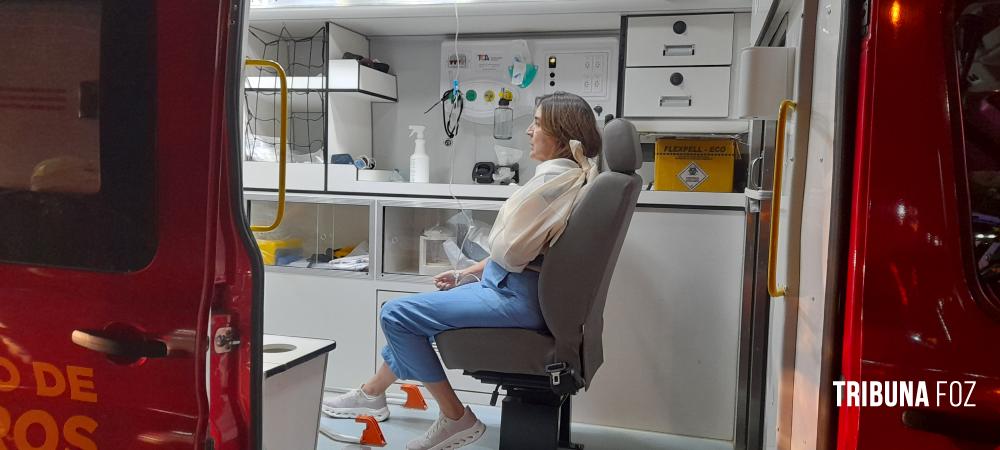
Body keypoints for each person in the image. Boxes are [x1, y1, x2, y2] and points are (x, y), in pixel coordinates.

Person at [321, 92, 602, 450]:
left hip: (515, 298)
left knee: (395, 315)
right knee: (416, 316)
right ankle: (373, 393)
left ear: (560, 135)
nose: (529, 131)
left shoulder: (552, 186)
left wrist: (484, 270)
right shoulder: (571, 179)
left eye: (536, 123)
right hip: (516, 288)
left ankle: (456, 418)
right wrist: (471, 271)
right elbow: (529, 254)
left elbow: (512, 252)